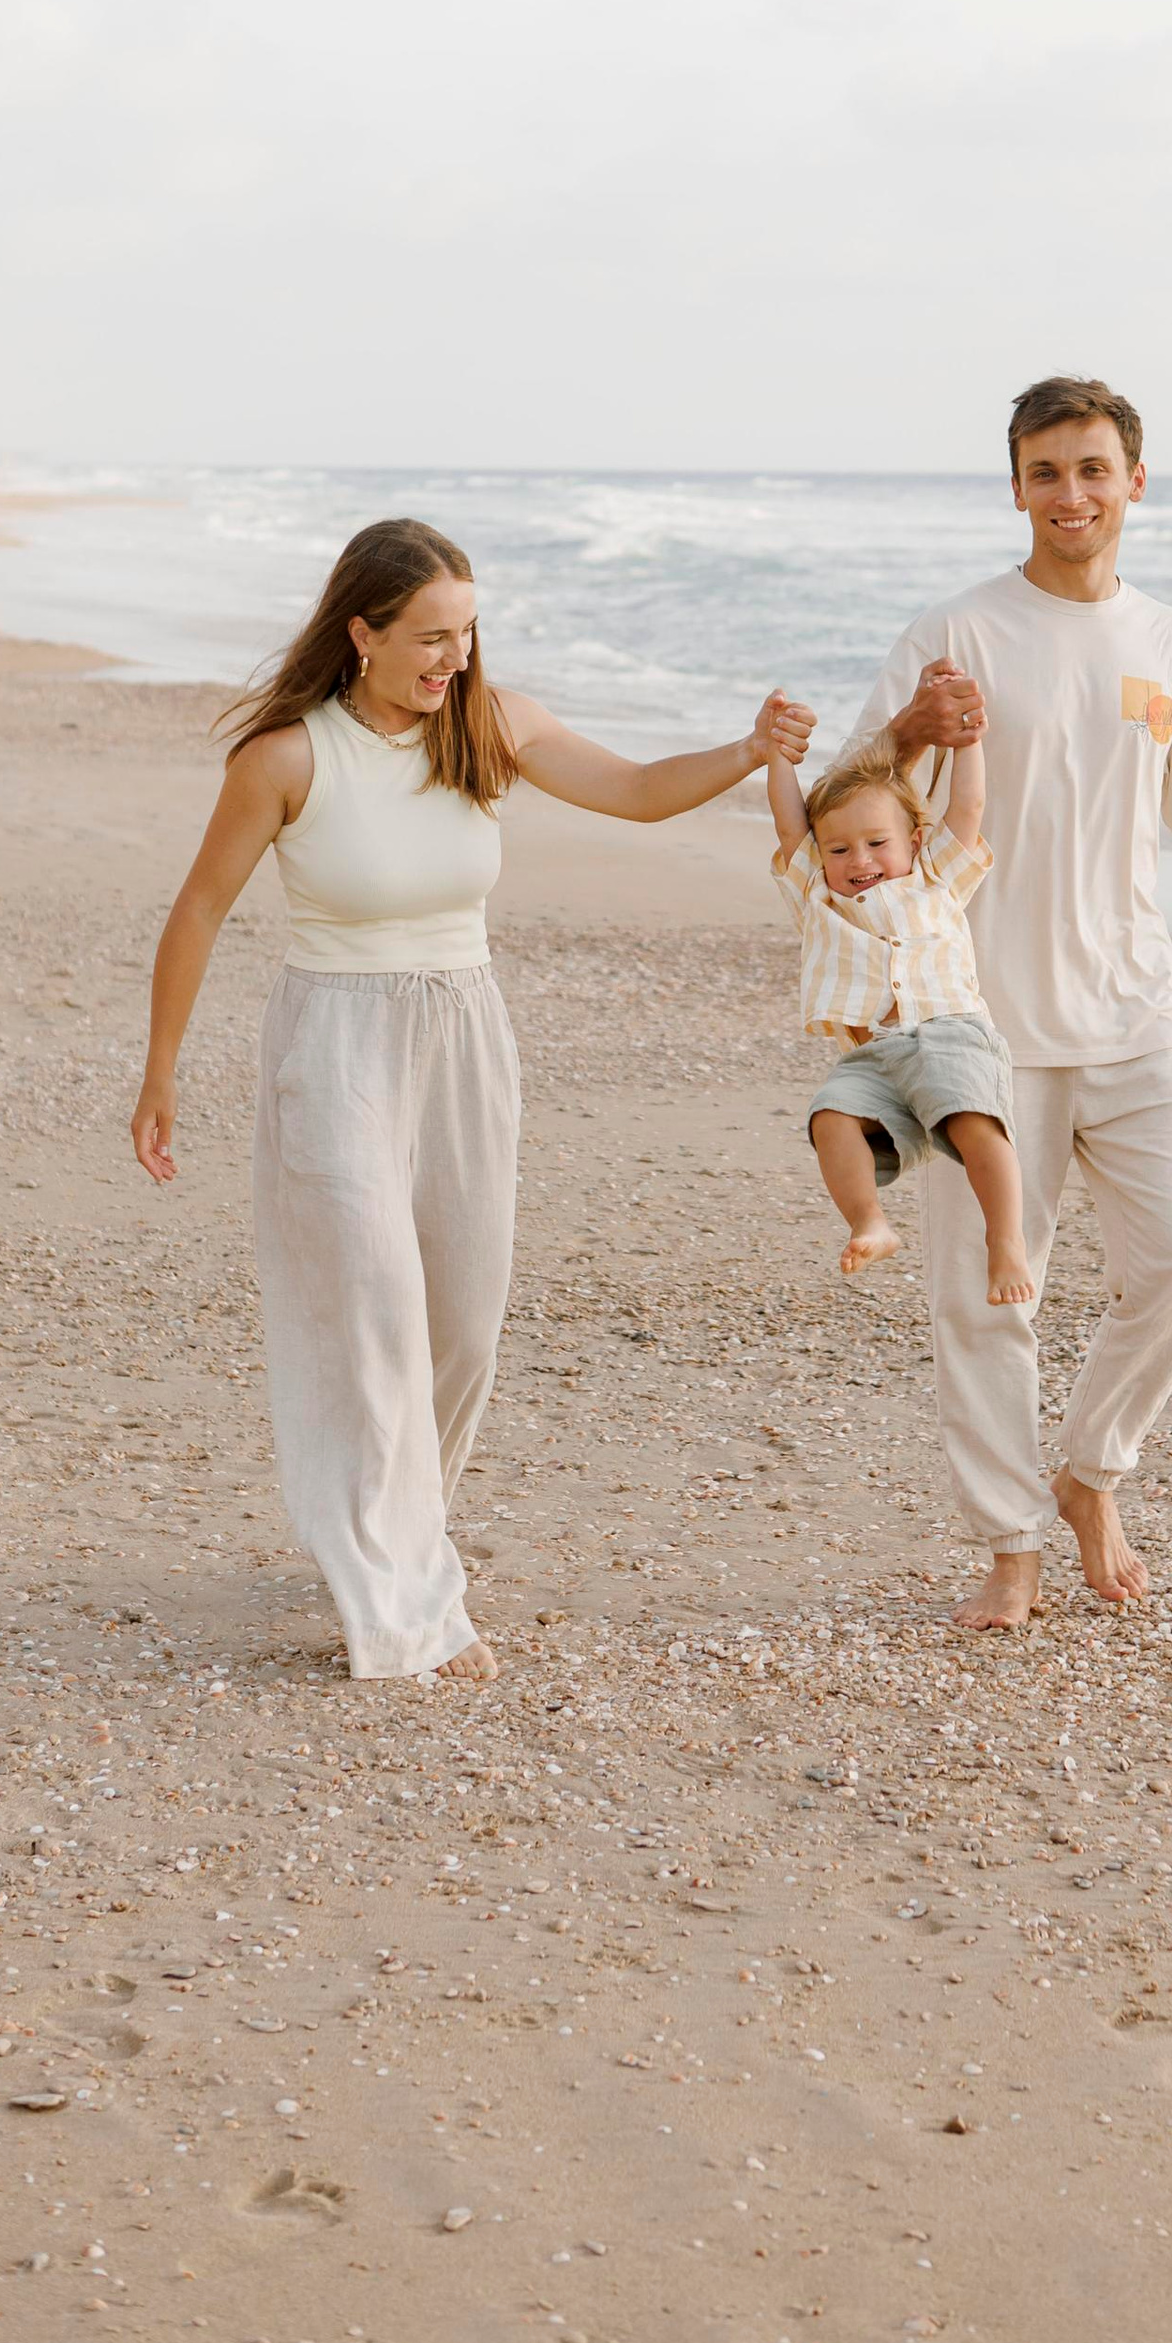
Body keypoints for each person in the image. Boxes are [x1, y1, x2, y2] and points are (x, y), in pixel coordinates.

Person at [130, 515, 811, 1687]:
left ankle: (392, 1530)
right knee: (378, 1305)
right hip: (335, 1043)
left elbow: (641, 790)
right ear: (363, 632)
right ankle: (406, 1608)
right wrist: (161, 1070)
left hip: (463, 1039)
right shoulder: (290, 757)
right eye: (430, 638)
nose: (453, 658)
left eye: (467, 633)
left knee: (462, 1321)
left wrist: (749, 751)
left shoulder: (484, 729)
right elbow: (198, 908)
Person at [849, 376, 1172, 1629]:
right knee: (989, 1298)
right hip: (978, 1033)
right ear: (1015, 486)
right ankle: (1010, 1549)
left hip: (1142, 1011)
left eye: (1093, 470)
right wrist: (907, 725)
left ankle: (1089, 1468)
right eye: (1046, 472)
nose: (1071, 495)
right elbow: (854, 807)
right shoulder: (956, 636)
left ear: (1134, 483)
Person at [764, 724, 1031, 1301]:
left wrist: (968, 741)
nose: (859, 860)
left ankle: (1006, 1241)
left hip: (951, 1033)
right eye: (838, 849)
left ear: (914, 840)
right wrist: (776, 756)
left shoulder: (937, 879)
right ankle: (870, 1220)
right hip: (873, 1058)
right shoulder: (818, 899)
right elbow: (789, 824)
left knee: (973, 1120)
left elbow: (969, 804)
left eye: (877, 843)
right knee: (830, 1117)